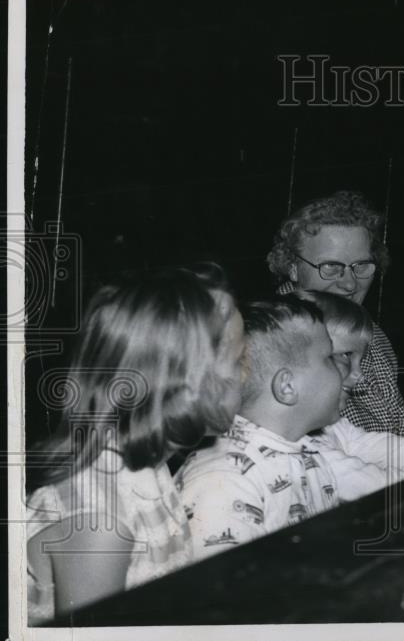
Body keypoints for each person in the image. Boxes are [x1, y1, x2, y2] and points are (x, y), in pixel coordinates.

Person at [177, 295, 404, 559]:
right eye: (331, 360)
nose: (357, 378)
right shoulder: (222, 481)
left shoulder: (308, 450)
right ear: (287, 386)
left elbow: (389, 489)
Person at [25, 264, 245, 624]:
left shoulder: (149, 468)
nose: (247, 375)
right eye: (239, 361)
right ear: (187, 388)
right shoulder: (99, 525)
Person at [267, 191, 404, 435]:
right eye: (331, 267)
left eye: (361, 266)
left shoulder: (372, 331)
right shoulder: (274, 335)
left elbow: (398, 415)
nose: (350, 284)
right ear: (292, 267)